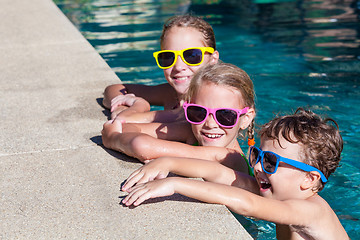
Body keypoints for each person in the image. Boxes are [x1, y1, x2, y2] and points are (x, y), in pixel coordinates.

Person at [121, 108, 349, 240]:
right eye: (257, 155)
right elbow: (219, 173)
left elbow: (247, 204)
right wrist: (167, 162)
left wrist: (176, 185)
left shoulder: (310, 210)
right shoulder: (275, 192)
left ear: (309, 178)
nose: (258, 167)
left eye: (270, 162)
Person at [102, 62, 256, 172]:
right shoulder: (191, 131)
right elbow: (127, 127)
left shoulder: (229, 158)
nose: (210, 123)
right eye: (198, 112)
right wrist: (138, 106)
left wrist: (112, 138)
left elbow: (141, 146)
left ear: (246, 118)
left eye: (225, 115)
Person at [102, 14, 219, 122]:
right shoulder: (170, 94)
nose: (178, 67)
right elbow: (114, 89)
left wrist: (138, 105)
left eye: (191, 56)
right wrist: (120, 106)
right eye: (168, 57)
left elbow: (126, 121)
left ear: (213, 59)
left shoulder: (217, 100)